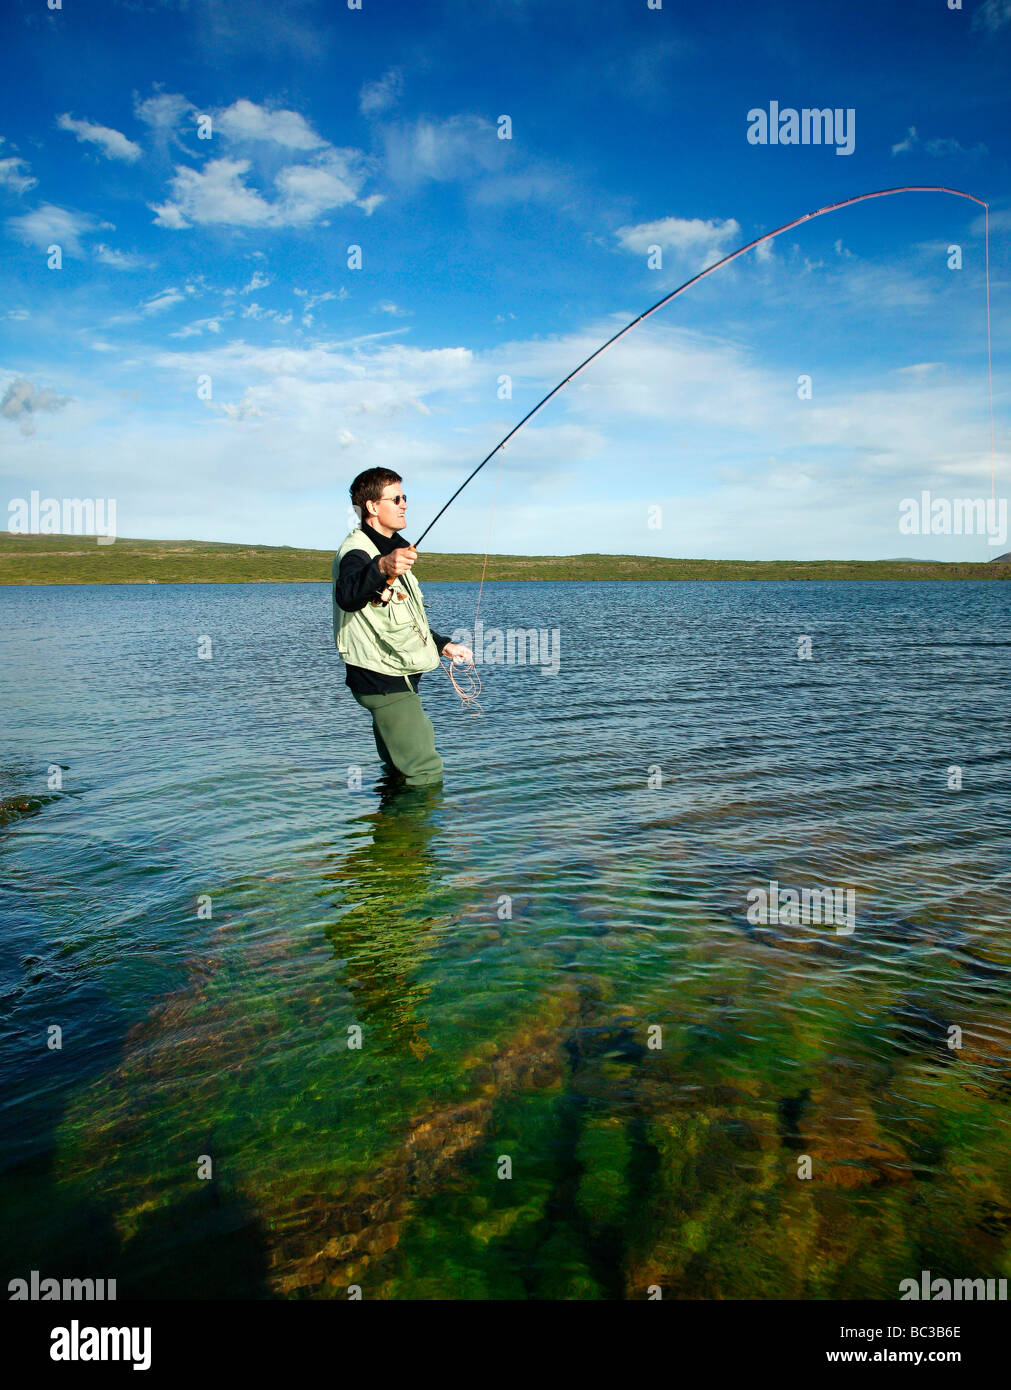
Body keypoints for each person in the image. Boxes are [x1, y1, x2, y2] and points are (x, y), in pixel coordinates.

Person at [332, 468, 473, 788]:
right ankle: (419, 835)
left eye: (404, 497)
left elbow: (405, 616)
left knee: (398, 768)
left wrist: (443, 645)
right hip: (383, 678)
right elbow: (348, 595)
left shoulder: (389, 549)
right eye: (395, 498)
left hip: (392, 675)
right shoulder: (357, 551)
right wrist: (381, 566)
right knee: (424, 772)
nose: (404, 504)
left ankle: (394, 834)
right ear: (371, 507)